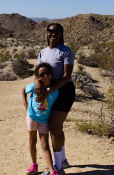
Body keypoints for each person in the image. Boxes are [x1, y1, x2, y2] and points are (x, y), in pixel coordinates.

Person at [34, 23, 75, 175]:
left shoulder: (66, 51)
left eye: (57, 32)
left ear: (61, 34)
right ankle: (62, 160)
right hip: (49, 93)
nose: (53, 34)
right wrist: (37, 82)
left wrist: (48, 90)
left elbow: (66, 76)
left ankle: (57, 168)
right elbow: (38, 72)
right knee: (57, 128)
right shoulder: (42, 52)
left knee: (54, 127)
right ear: (46, 33)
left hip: (64, 91)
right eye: (51, 31)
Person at [22, 63, 59, 175]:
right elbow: (24, 89)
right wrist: (25, 104)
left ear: (51, 74)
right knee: (32, 140)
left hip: (44, 120)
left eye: (48, 73)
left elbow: (52, 105)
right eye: (42, 74)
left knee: (45, 145)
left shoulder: (55, 91)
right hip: (32, 117)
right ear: (38, 77)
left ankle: (52, 171)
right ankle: (34, 165)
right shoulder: (35, 87)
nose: (46, 75)